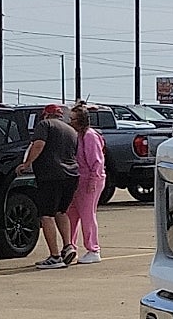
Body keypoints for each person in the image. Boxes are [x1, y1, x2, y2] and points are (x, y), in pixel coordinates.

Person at [16, 104, 79, 268]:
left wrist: (27, 163)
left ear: (46, 115)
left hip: (51, 175)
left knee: (46, 215)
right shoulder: (71, 130)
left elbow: (39, 145)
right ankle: (68, 246)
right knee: (61, 211)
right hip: (71, 175)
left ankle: (55, 256)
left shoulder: (45, 125)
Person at [65, 103, 106, 263]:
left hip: (89, 179)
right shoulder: (76, 135)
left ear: (81, 120)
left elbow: (97, 161)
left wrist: (92, 181)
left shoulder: (90, 136)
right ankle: (70, 247)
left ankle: (93, 249)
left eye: (73, 119)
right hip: (77, 179)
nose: (70, 122)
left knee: (87, 214)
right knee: (71, 214)